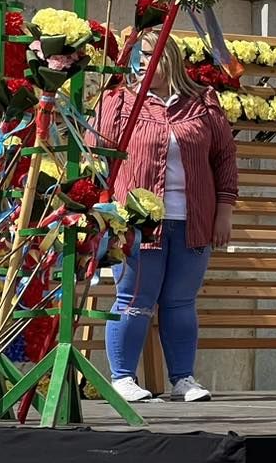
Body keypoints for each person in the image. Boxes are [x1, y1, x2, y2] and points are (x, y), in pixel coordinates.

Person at [98, 28, 238, 403]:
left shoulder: (203, 101)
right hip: (136, 222)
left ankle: (183, 379)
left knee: (180, 301)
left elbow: (224, 157)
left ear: (169, 58)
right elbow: (100, 153)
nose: (142, 63)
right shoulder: (120, 100)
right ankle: (122, 377)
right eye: (137, 57)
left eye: (149, 55)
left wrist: (224, 210)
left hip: (192, 219)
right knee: (134, 298)